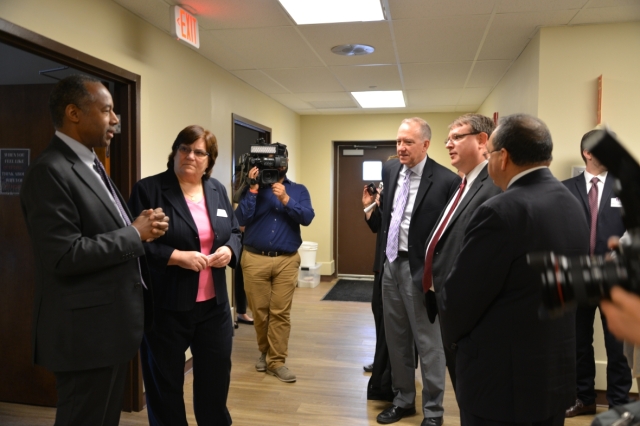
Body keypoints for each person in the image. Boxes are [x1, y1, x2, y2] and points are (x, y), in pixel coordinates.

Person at [19, 74, 169, 426]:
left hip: (110, 328)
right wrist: (134, 234)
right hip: (84, 335)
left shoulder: (92, 163)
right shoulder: (50, 171)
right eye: (107, 111)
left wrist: (139, 226)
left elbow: (100, 228)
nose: (116, 120)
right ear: (73, 113)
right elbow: (64, 254)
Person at [439, 114, 590, 425]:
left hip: (501, 385)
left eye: (490, 152)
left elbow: (460, 300)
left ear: (503, 157)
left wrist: (455, 341)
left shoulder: (500, 211)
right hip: (553, 378)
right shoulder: (572, 203)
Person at [128, 125, 242, 426]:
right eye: (184, 148)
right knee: (165, 389)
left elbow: (233, 232)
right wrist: (177, 257)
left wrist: (229, 250)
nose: (190, 156)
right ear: (175, 151)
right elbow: (134, 245)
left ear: (209, 160)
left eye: (199, 151)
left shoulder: (216, 189)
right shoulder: (149, 190)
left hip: (214, 308)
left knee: (215, 386)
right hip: (166, 307)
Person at [376, 117, 460, 426]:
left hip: (421, 271)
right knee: (397, 339)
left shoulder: (447, 181)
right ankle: (403, 401)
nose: (401, 148)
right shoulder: (390, 169)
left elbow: (449, 235)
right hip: (391, 265)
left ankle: (434, 412)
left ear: (425, 144)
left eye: (408, 142)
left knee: (428, 344)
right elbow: (387, 217)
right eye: (398, 141)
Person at [422, 114, 501, 391]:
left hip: (470, 313)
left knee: (475, 392)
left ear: (482, 141)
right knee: (463, 387)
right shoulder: (464, 183)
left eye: (457, 137)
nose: (448, 145)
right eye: (448, 139)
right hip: (448, 304)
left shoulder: (493, 187)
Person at [562, 130, 631, 416]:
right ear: (587, 152)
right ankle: (585, 398)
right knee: (578, 342)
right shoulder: (564, 188)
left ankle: (619, 404)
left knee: (617, 346)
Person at [235, 150, 315, 383]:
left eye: (281, 161)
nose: (277, 166)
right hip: (254, 259)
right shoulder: (252, 189)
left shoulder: (298, 190)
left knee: (280, 312)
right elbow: (240, 220)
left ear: (286, 163)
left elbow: (308, 217)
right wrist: (251, 189)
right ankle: (264, 352)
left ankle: (277, 361)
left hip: (287, 260)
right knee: (259, 311)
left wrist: (286, 200)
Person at [362, 181, 394, 402]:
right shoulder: (386, 200)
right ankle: (381, 358)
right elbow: (376, 226)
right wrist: (369, 205)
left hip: (397, 267)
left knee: (391, 319)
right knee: (378, 312)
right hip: (381, 265)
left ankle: (391, 367)